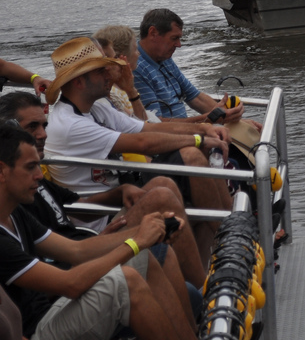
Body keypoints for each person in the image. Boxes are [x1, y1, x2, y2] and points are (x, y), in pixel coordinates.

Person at [43, 37, 232, 262]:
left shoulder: (95, 109)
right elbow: (143, 143)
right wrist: (198, 139)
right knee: (188, 158)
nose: (109, 74)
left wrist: (202, 128)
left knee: (192, 173)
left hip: (123, 196)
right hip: (105, 218)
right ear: (79, 82)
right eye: (100, 71)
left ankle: (229, 240)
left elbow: (146, 128)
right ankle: (229, 244)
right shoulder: (70, 124)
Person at [0, 125, 196, 340]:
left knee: (142, 257)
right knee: (125, 281)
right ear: (2, 171)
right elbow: (70, 284)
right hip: (34, 332)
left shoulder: (15, 213)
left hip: (49, 314)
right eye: (30, 167)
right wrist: (135, 242)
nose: (39, 175)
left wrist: (148, 231)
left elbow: (77, 250)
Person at [0, 91, 207, 289]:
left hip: (85, 244)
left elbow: (78, 209)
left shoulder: (33, 184)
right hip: (76, 263)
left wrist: (120, 193)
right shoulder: (15, 198)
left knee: (163, 187)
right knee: (163, 197)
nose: (44, 134)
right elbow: (65, 276)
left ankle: (209, 278)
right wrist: (137, 239)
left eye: (45, 125)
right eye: (32, 127)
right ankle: (205, 291)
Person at [132, 10, 244, 124]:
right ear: (153, 33)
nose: (179, 44)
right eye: (174, 38)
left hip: (187, 132)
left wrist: (234, 120)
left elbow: (195, 97)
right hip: (171, 138)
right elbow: (155, 124)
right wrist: (210, 118)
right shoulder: (136, 68)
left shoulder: (164, 58)